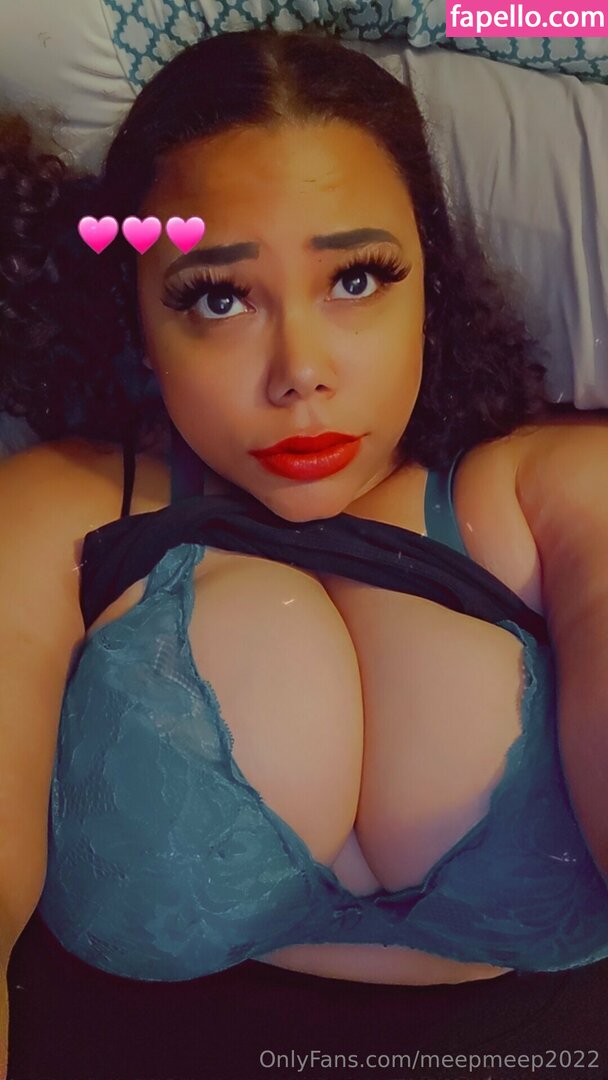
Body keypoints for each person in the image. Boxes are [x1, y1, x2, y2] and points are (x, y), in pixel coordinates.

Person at [1, 26, 608, 1080]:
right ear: (138, 314)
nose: (301, 372)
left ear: (429, 280)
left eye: (357, 280)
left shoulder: (559, 490)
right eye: (218, 297)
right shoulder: (56, 510)